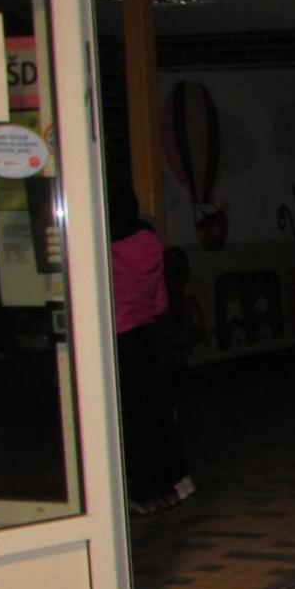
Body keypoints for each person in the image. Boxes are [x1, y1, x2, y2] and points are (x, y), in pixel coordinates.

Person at [109, 197, 192, 514]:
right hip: (147, 338)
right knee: (155, 416)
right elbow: (160, 302)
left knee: (131, 423)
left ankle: (141, 492)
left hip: (119, 340)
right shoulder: (149, 243)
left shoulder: (107, 246)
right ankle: (168, 486)